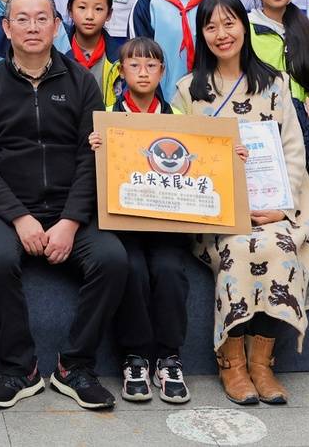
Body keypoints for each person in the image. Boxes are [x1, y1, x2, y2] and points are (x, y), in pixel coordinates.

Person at [174, 0, 309, 407]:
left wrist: (281, 207)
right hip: (216, 214)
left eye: (229, 23)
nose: (222, 34)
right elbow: (184, 158)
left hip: (276, 205)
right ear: (202, 35)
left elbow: (293, 149)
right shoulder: (189, 91)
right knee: (240, 247)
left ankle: (262, 362)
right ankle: (232, 362)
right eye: (211, 27)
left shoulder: (274, 84)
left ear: (244, 26)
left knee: (279, 245)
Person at [0, 0, 125, 412]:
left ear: (56, 26)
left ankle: (75, 366)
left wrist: (71, 221)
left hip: (70, 208)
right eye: (22, 19)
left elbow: (92, 157)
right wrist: (19, 217)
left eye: (41, 18)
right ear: (6, 27)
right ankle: (20, 369)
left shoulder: (82, 82)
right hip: (8, 210)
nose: (32, 27)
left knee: (112, 260)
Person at [84, 37, 191, 404]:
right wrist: (95, 148)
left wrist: (229, 152)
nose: (143, 72)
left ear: (162, 72)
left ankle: (169, 356)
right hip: (124, 221)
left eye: (151, 65)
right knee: (131, 269)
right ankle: (135, 356)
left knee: (169, 270)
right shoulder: (107, 118)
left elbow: (202, 162)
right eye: (134, 65)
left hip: (168, 222)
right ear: (121, 72)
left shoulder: (181, 119)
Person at [67, 0, 119, 100]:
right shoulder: (56, 54)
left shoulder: (120, 60)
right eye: (82, 7)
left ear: (109, 14)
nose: (89, 16)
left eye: (98, 9)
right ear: (70, 11)